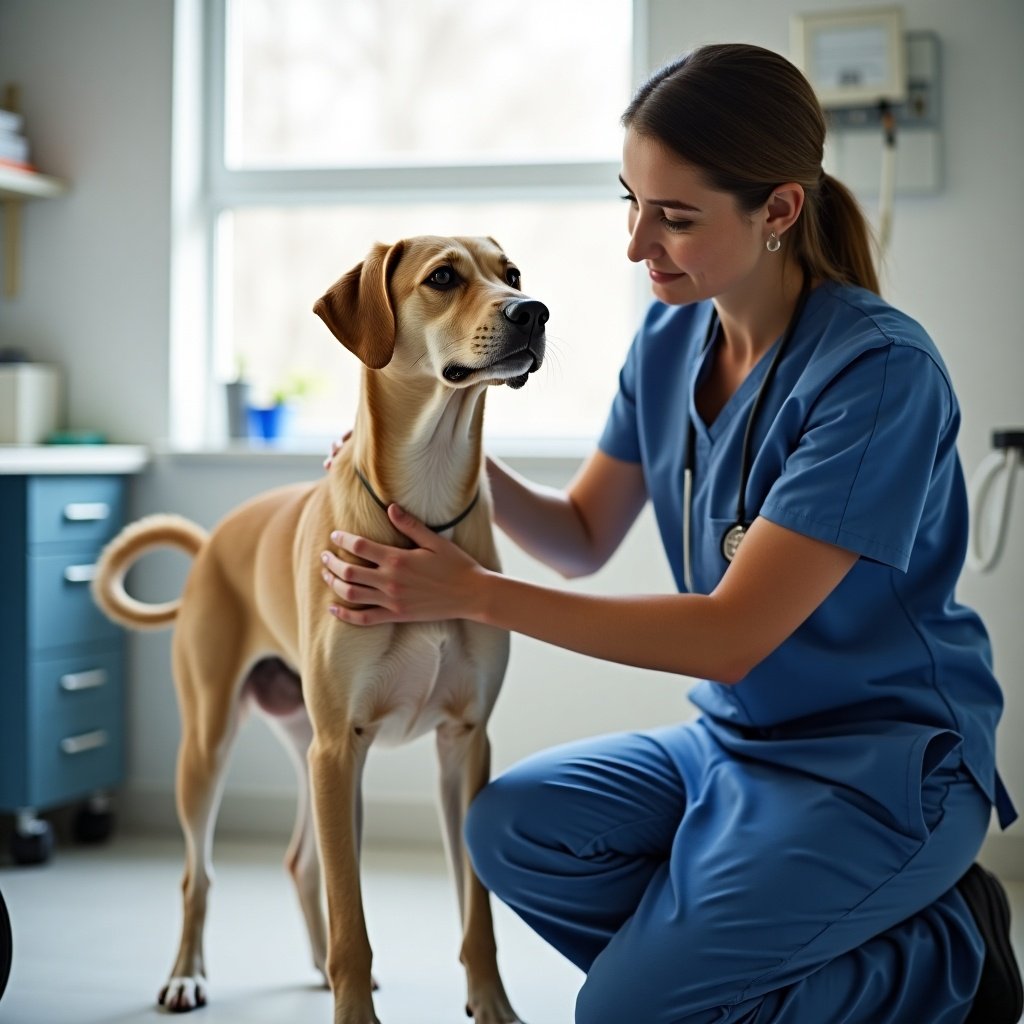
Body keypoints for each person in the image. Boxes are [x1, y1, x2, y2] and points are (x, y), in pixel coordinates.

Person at [319, 43, 1022, 1024]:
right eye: (630, 203)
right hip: (735, 743)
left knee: (622, 1013)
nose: (636, 243)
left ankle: (946, 956)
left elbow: (729, 633)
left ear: (776, 212)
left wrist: (470, 592)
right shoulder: (670, 336)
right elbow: (579, 535)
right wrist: (423, 464)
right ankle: (736, 959)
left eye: (675, 217)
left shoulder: (877, 373)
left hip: (882, 768)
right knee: (510, 825)